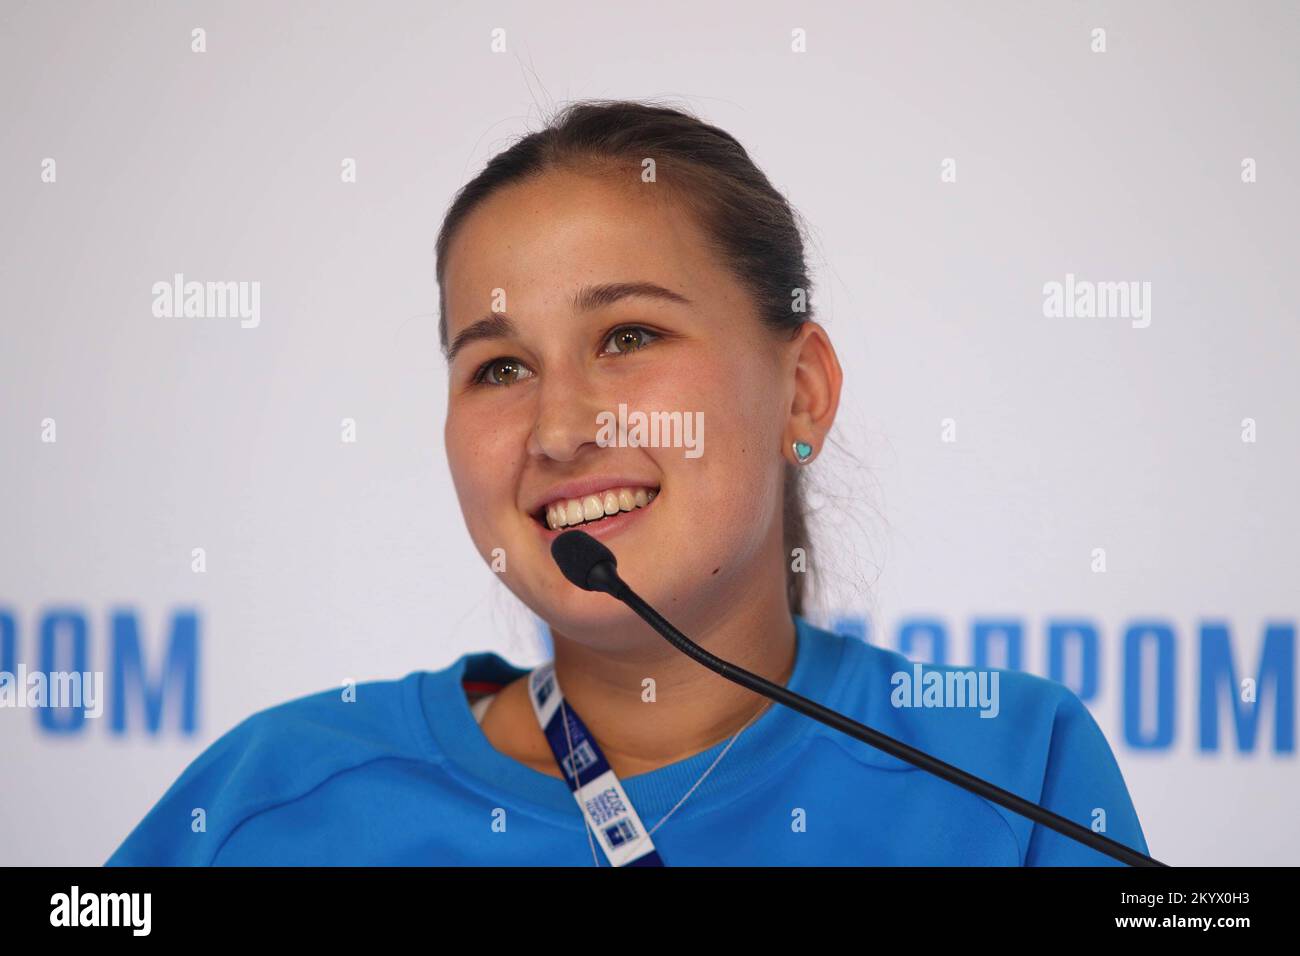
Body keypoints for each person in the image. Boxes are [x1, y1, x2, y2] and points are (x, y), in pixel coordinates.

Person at [105, 99, 1149, 866]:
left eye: (628, 334)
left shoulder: (1014, 771)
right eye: (499, 367)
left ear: (801, 392)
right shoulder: (269, 797)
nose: (557, 430)